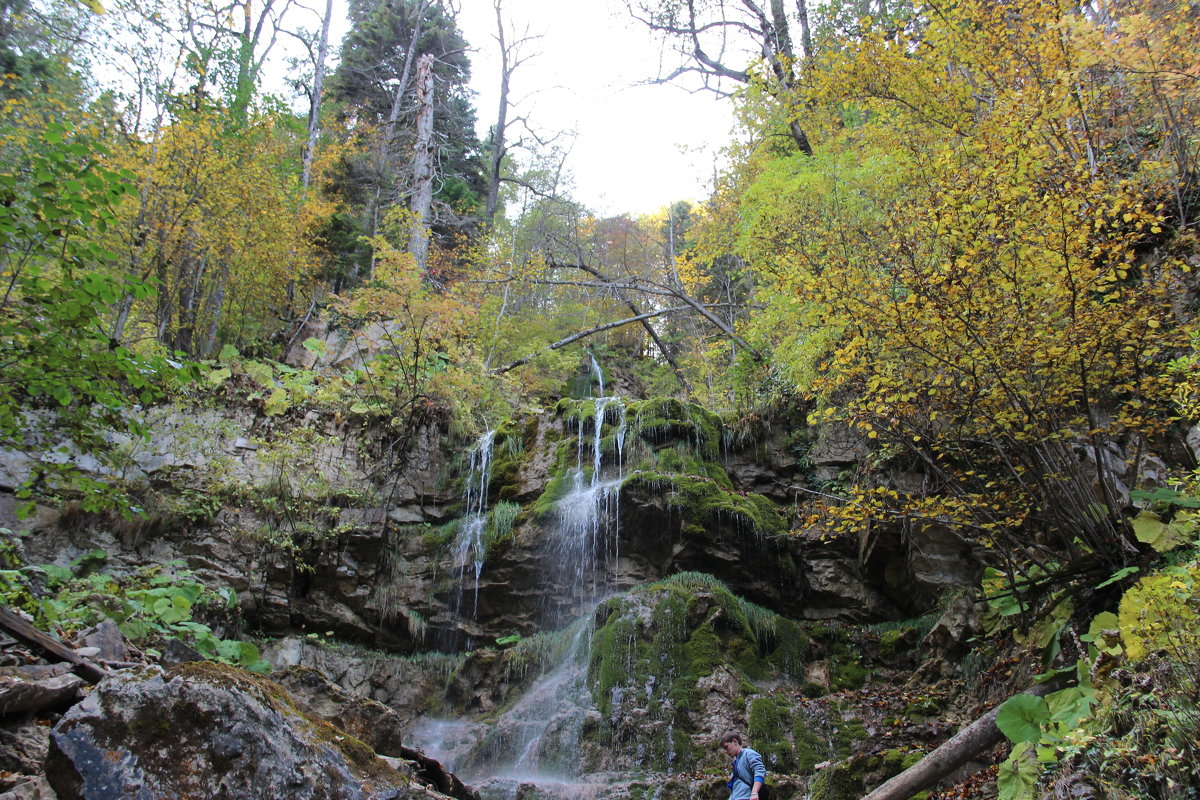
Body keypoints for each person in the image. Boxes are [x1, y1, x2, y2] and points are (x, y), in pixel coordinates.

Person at [720, 732, 766, 800]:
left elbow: (760, 771)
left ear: (735, 741)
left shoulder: (749, 754)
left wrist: (754, 793)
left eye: (726, 747)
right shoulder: (736, 762)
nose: (726, 751)